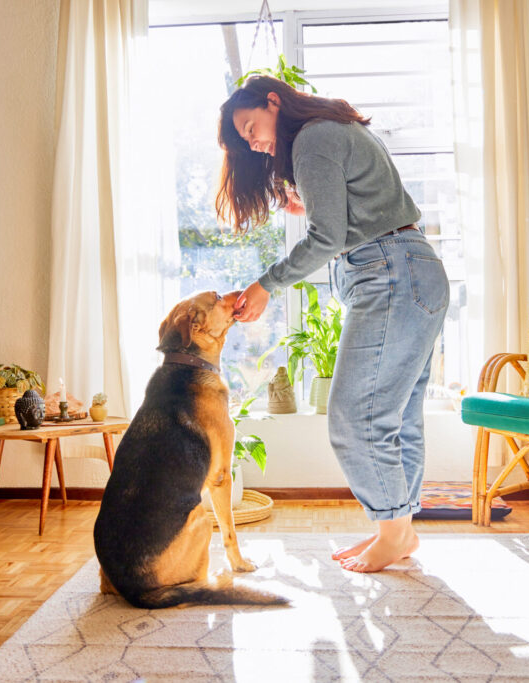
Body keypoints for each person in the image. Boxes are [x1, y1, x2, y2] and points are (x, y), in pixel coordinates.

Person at [217, 76, 449, 573]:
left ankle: (392, 532)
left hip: (391, 274)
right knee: (396, 416)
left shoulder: (312, 138)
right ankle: (398, 532)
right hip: (413, 272)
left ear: (273, 101)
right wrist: (317, 202)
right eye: (247, 139)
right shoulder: (332, 128)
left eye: (252, 126)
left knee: (354, 416)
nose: (254, 141)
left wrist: (266, 285)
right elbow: (364, 209)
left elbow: (327, 238)